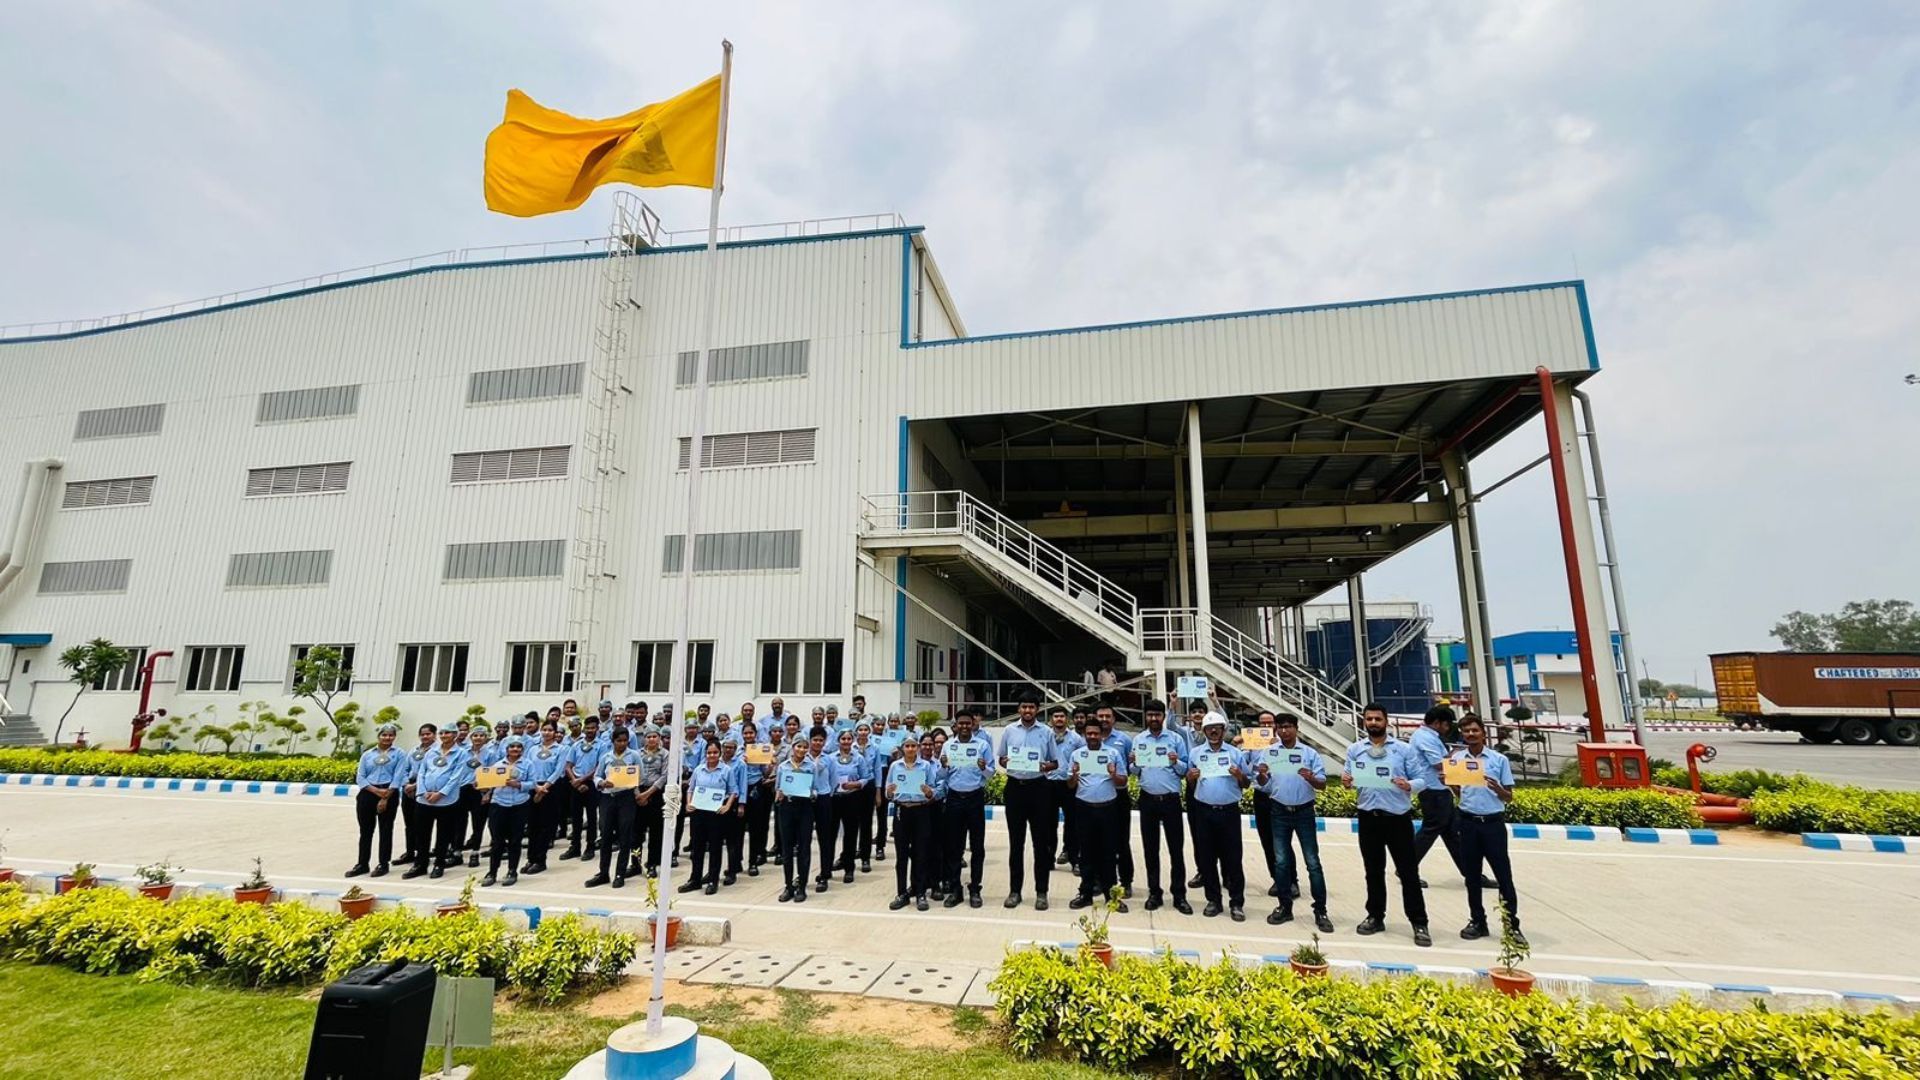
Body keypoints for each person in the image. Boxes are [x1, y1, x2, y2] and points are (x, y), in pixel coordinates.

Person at [1343, 703, 1431, 946]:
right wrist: (1347, 781)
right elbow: (1348, 779)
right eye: (1369, 719)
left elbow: (1422, 779)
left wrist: (1408, 785)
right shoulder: (1355, 750)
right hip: (1368, 817)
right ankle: (1375, 915)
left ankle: (1419, 921)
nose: (1373, 723)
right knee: (1373, 871)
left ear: (1386, 721)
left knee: (1408, 872)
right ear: (1364, 722)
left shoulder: (1403, 749)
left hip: (1397, 818)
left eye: (1377, 719)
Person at [1449, 714, 1526, 945]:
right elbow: (1459, 792)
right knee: (1472, 877)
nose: (1470, 734)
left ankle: (1511, 925)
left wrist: (1498, 789)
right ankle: (1477, 921)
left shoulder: (1498, 760)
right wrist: (1450, 784)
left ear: (1483, 732)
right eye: (1466, 731)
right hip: (1468, 822)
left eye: (1474, 730)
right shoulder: (1457, 759)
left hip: (1492, 824)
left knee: (1503, 876)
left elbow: (1509, 796)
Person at [1254, 714, 1334, 932]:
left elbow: (1322, 785)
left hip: (1304, 811)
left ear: (1297, 728)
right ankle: (1285, 906)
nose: (1284, 731)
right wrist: (1262, 775)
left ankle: (1320, 910)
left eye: (1288, 727)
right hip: (1279, 810)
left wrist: (1311, 778)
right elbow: (1263, 784)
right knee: (1281, 862)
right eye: (1280, 727)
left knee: (1313, 862)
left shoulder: (1309, 753)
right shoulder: (1269, 753)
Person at [1409, 704, 1496, 890]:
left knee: (1453, 833)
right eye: (1447, 725)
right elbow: (1439, 764)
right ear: (1438, 722)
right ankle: (1406, 868)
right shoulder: (1425, 737)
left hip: (1440, 789)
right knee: (1431, 830)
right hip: (1432, 790)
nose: (1448, 729)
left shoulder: (1429, 737)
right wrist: (1458, 755)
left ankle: (1472, 873)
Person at [1129, 700, 1191, 914]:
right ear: (1145, 716)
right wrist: (1134, 762)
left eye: (1157, 715)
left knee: (1176, 849)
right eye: (1150, 715)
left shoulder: (1175, 739)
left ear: (1163, 716)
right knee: (1150, 849)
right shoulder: (1139, 739)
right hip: (1147, 800)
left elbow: (1185, 770)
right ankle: (1154, 892)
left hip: (1171, 800)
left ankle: (1179, 894)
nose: (1153, 718)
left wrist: (1175, 762)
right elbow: (1133, 771)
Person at [1186, 713, 1249, 919]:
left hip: (1229, 812)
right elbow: (1192, 785)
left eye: (1217, 728)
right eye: (1209, 728)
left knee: (1233, 859)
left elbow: (1246, 783)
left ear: (1223, 730)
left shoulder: (1235, 754)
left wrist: (1239, 775)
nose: (1213, 731)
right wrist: (1190, 778)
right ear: (1204, 731)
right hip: (1204, 812)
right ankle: (1213, 900)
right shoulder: (1195, 753)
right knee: (1207, 858)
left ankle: (1236, 902)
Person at [998, 696, 1059, 909]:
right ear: (1019, 709)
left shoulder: (1046, 732)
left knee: (1040, 844)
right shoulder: (1009, 731)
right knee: (1016, 843)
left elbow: (1055, 762)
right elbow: (1001, 759)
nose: (1027, 710)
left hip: (1039, 788)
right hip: (1015, 788)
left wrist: (1045, 767)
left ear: (1037, 709)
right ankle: (1015, 891)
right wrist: (1005, 761)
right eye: (1024, 706)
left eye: (1031, 707)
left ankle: (1041, 892)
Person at [1068, 716, 1129, 912]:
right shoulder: (1077, 755)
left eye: (1096, 733)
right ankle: (1085, 893)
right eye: (1089, 733)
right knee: (1086, 853)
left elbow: (1123, 782)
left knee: (1109, 854)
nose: (1092, 736)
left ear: (1101, 734)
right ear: (1084, 735)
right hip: (1084, 808)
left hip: (1108, 809)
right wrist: (1074, 776)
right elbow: (1070, 785)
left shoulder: (1113, 754)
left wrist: (1113, 774)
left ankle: (1112, 896)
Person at [939, 710, 995, 908]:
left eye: (967, 723)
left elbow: (991, 774)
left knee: (977, 846)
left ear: (973, 724)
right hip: (954, 798)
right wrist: (943, 766)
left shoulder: (982, 745)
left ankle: (975, 888)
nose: (964, 726)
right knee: (954, 846)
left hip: (974, 799)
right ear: (955, 725)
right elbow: (941, 776)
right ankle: (956, 889)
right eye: (960, 723)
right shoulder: (948, 745)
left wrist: (983, 768)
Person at [406, 726, 470, 880]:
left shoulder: (461, 753)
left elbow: (456, 777)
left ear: (455, 735)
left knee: (443, 835)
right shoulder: (431, 752)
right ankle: (420, 864)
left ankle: (439, 864)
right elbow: (422, 772)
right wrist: (423, 791)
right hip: (424, 799)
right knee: (422, 834)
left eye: (447, 733)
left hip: (446, 801)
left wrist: (440, 794)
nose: (444, 735)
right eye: (442, 733)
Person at [885, 732, 940, 910]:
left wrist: (929, 792)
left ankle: (920, 893)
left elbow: (934, 789)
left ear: (918, 748)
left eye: (913, 746)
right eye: (907, 746)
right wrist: (889, 792)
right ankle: (902, 893)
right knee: (901, 855)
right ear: (903, 748)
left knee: (920, 854)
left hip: (921, 811)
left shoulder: (925, 766)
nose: (910, 749)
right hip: (902, 811)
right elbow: (888, 791)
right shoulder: (895, 766)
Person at [346, 723, 406, 878]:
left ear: (394, 737)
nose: (387, 738)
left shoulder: (399, 754)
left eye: (391, 735)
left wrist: (385, 796)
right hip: (368, 793)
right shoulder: (367, 754)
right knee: (365, 830)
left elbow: (398, 776)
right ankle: (362, 864)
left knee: (385, 830)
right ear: (379, 736)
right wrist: (376, 791)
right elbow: (360, 776)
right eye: (384, 735)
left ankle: (383, 863)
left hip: (389, 792)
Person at [586, 728, 641, 889]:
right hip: (608, 798)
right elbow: (597, 775)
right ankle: (603, 873)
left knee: (625, 836)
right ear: (613, 741)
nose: (622, 744)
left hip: (626, 798)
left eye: (625, 741)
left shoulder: (634, 756)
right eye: (619, 741)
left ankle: (620, 874)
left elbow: (640, 776)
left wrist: (629, 781)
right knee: (606, 836)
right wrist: (601, 783)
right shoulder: (606, 757)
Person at [681, 741, 737, 895]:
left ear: (720, 753)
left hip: (716, 814)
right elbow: (690, 789)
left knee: (715, 847)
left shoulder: (726, 770)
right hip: (699, 812)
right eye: (709, 753)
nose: (711, 755)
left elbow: (733, 791)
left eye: (715, 752)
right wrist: (688, 803)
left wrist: (727, 806)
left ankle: (713, 880)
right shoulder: (699, 770)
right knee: (697, 847)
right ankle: (695, 879)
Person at [1094, 705, 1135, 897]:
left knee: (1121, 841)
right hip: (1096, 796)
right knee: (1097, 840)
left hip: (1118, 796)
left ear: (1113, 719)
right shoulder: (1089, 739)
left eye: (1107, 716)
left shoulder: (1124, 740)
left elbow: (1130, 767)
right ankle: (1098, 881)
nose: (1104, 719)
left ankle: (1126, 881)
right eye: (1100, 716)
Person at [1243, 711, 1285, 899]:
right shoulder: (1253, 742)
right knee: (1267, 839)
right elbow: (1243, 763)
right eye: (1263, 723)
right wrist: (1241, 746)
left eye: (1270, 723)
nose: (1266, 727)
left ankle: (1291, 880)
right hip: (1261, 795)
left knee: (1282, 841)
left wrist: (1277, 746)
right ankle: (1276, 878)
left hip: (1279, 796)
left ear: (1275, 725)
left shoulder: (1284, 742)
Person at [479, 739, 532, 887]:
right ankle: (492, 872)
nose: (515, 749)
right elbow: (488, 785)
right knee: (497, 841)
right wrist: (482, 786)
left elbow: (533, 783)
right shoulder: (497, 765)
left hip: (519, 805)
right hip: (499, 804)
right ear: (506, 749)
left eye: (518, 747)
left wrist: (518, 784)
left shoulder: (528, 764)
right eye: (512, 746)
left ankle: (512, 871)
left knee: (515, 840)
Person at [774, 740, 818, 903]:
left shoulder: (811, 766)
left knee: (804, 848)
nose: (802, 749)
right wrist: (779, 795)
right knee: (787, 849)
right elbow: (778, 787)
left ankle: (802, 886)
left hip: (805, 807)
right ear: (793, 748)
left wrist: (810, 793)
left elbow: (816, 788)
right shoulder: (783, 766)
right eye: (799, 746)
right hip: (787, 807)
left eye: (805, 747)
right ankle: (788, 886)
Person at [521, 719, 567, 875]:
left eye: (550, 730)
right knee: (532, 825)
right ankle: (531, 858)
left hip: (551, 788)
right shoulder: (533, 749)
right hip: (534, 787)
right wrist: (536, 787)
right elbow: (528, 768)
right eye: (544, 730)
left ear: (555, 732)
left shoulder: (561, 749)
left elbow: (558, 770)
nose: (547, 733)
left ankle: (540, 860)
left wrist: (544, 787)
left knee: (545, 826)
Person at [828, 730, 871, 884]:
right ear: (838, 741)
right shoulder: (830, 758)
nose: (846, 741)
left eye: (848, 739)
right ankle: (826, 869)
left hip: (852, 798)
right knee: (830, 835)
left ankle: (849, 868)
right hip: (834, 799)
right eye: (843, 739)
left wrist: (857, 784)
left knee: (851, 834)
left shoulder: (859, 758)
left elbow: (866, 777)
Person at [1046, 707, 1084, 872]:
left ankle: (1074, 860)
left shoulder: (1076, 739)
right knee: (1049, 824)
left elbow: (1083, 758)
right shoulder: (1044, 736)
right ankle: (1048, 859)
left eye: (1062, 716)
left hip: (1069, 785)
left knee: (1073, 823)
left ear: (1067, 719)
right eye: (1056, 716)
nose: (1059, 719)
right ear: (1051, 719)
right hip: (1049, 784)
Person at [562, 716, 604, 861]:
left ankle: (590, 847)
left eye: (593, 728)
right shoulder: (576, 745)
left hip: (592, 784)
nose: (590, 730)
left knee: (592, 818)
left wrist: (583, 780)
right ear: (584, 728)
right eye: (588, 728)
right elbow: (568, 765)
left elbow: (599, 766)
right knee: (576, 817)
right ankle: (575, 847)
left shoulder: (602, 745)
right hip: (576, 783)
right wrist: (575, 781)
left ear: (597, 729)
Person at [632, 727, 671, 878]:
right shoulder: (637, 754)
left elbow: (664, 776)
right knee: (636, 832)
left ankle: (652, 864)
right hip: (638, 794)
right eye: (649, 737)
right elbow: (632, 773)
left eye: (654, 736)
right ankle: (635, 864)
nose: (651, 739)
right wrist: (638, 794)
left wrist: (647, 794)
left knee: (655, 832)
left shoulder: (665, 754)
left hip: (655, 795)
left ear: (659, 738)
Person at [396, 724, 437, 868]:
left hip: (424, 790)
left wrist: (415, 787)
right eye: (422, 734)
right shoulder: (414, 750)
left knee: (422, 826)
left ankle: (421, 853)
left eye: (428, 734)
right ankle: (410, 852)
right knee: (409, 824)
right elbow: (405, 769)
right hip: (408, 790)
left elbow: (430, 773)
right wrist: (406, 785)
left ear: (434, 735)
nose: (425, 736)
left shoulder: (437, 752)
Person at [457, 726, 494, 868]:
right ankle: (457, 852)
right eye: (475, 735)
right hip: (462, 789)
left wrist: (487, 792)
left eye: (481, 735)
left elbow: (493, 773)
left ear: (486, 738)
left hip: (479, 791)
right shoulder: (462, 752)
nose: (478, 738)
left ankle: (475, 852)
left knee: (478, 823)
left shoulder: (490, 754)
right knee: (459, 822)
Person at [808, 729, 837, 892]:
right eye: (815, 740)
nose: (817, 743)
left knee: (825, 838)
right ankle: (803, 875)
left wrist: (826, 794)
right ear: (810, 740)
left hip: (824, 799)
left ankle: (825, 873)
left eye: (820, 740)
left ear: (824, 742)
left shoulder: (829, 759)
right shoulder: (803, 757)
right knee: (804, 839)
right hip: (805, 799)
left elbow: (833, 780)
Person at [718, 739, 748, 884]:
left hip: (734, 802)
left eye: (731, 748)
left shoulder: (740, 764)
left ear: (735, 749)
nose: (728, 750)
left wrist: (741, 804)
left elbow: (742, 785)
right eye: (726, 747)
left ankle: (732, 870)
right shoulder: (717, 762)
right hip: (718, 801)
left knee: (733, 840)